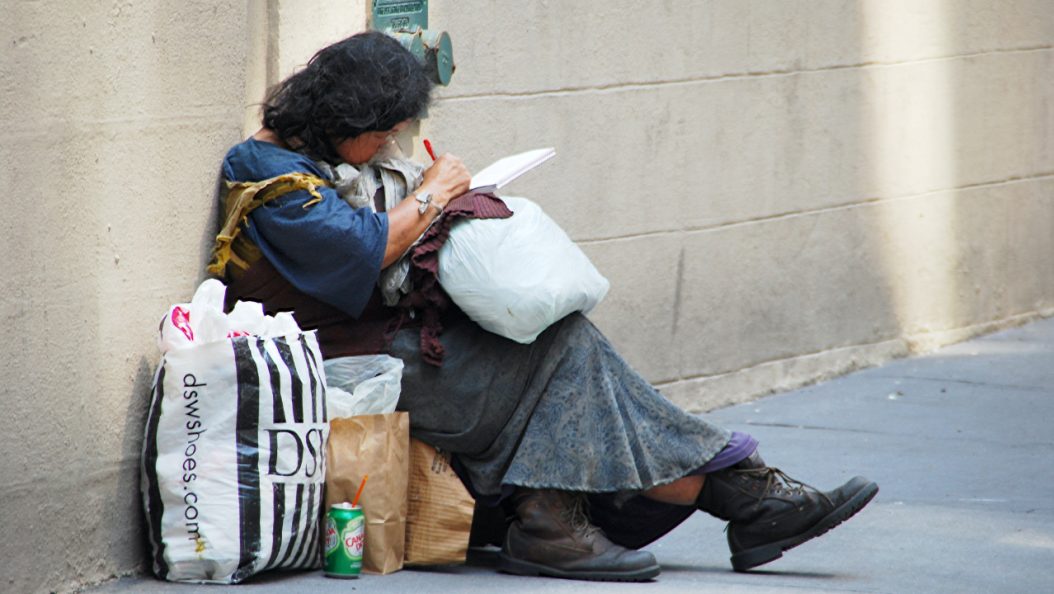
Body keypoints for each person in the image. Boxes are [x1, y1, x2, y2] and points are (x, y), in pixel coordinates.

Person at [211, 31, 878, 581]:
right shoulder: (263, 169)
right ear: (343, 121)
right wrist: (436, 194)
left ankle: (578, 518)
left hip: (393, 344)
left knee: (560, 341)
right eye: (384, 131)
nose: (391, 143)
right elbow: (358, 251)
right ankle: (729, 490)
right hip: (347, 368)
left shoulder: (328, 161)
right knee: (563, 350)